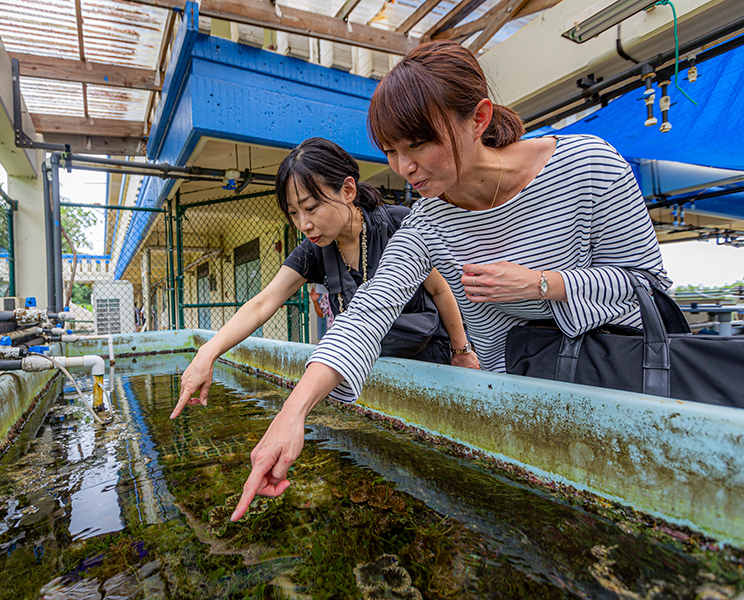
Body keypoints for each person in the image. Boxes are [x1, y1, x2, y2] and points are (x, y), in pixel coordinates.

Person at [227, 40, 669, 522]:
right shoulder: (426, 222)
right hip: (516, 400)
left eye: (417, 145)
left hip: (616, 388)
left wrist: (543, 284)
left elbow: (647, 282)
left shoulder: (587, 164)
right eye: (392, 151)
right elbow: (368, 313)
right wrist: (292, 414)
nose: (403, 167)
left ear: (478, 118)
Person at [170, 137, 479, 419]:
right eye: (293, 213)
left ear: (347, 190)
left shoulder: (399, 223)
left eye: (311, 207)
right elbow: (265, 301)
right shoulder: (314, 250)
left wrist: (461, 351)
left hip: (430, 360)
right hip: (370, 369)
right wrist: (207, 352)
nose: (303, 223)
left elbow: (440, 290)